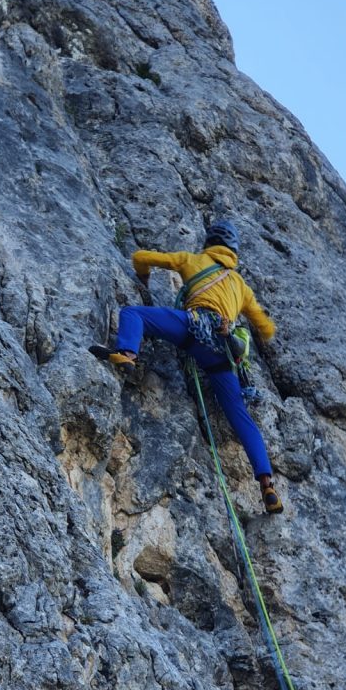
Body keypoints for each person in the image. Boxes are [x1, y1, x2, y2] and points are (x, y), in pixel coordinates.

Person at [90, 220, 283, 514]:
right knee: (241, 418)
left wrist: (142, 280)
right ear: (233, 250)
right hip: (221, 351)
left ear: (209, 242)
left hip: (191, 330)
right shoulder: (241, 286)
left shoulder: (193, 260)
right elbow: (265, 328)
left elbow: (141, 258)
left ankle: (128, 353)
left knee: (133, 313)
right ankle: (267, 484)